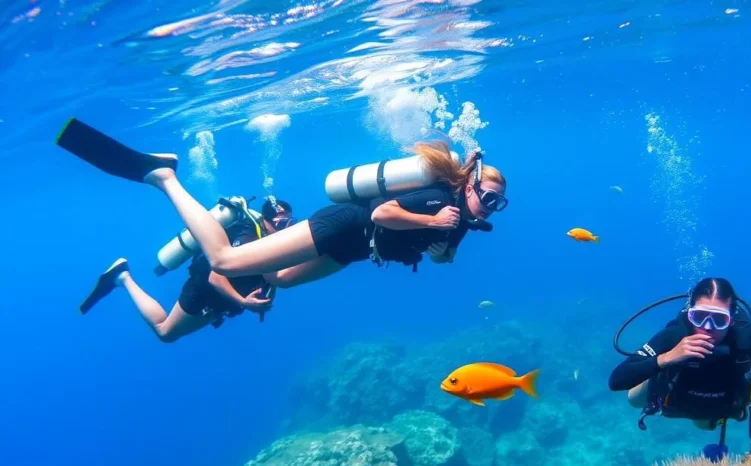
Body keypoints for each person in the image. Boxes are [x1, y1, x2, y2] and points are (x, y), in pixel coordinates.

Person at [55, 118, 508, 290]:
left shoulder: (462, 220)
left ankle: (257, 230)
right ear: (468, 186)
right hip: (345, 227)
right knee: (224, 260)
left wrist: (443, 251)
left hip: (355, 252)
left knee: (282, 281)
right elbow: (381, 213)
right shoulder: (437, 198)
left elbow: (441, 256)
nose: (489, 206)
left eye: (498, 204)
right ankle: (164, 176)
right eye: (486, 196)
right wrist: (427, 218)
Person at [608, 276, 751, 461]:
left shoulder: (748, 341)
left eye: (718, 320)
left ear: (731, 319)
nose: (707, 328)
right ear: (689, 314)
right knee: (633, 398)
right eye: (699, 317)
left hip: (713, 409)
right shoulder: (673, 336)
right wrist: (667, 357)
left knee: (703, 424)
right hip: (665, 394)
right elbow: (616, 381)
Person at [80, 196, 297, 343]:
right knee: (165, 332)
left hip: (221, 301)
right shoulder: (250, 236)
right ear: (267, 221)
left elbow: (270, 273)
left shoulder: (268, 241)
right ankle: (123, 276)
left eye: (290, 224)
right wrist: (244, 302)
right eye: (281, 224)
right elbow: (215, 277)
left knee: (171, 333)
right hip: (204, 289)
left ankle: (122, 276)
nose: (285, 230)